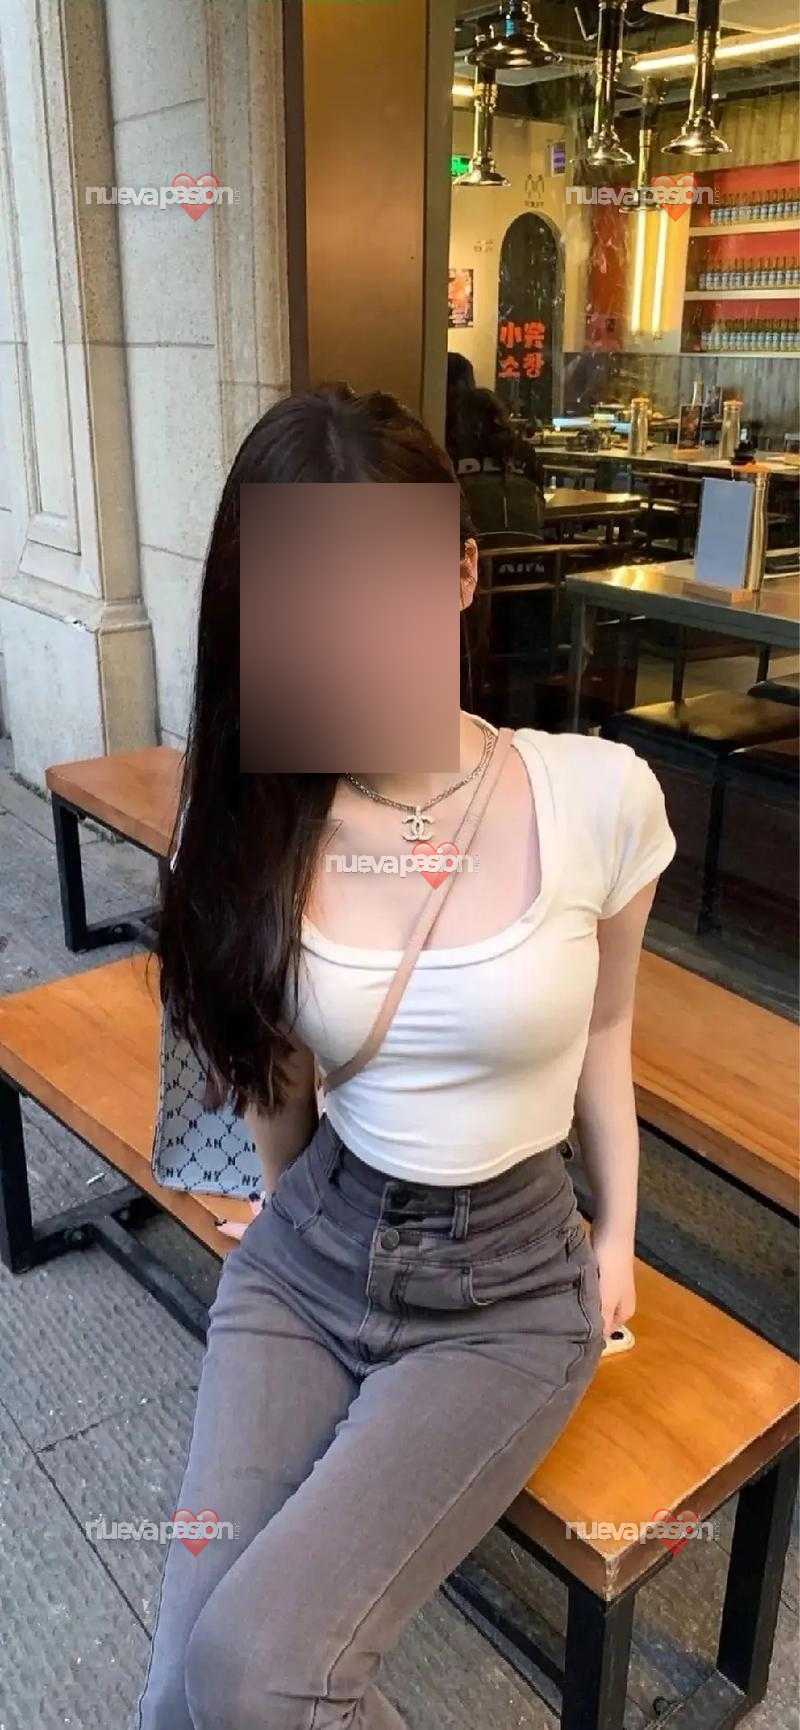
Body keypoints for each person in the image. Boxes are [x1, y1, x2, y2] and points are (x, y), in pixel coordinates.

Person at [138, 383, 676, 1730]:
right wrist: (291, 1213)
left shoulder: (596, 795)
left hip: (506, 1289)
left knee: (252, 1672)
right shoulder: (261, 817)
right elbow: (277, 1080)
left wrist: (618, 1228)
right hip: (311, 1250)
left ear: (460, 572)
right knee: (177, 1691)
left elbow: (605, 1030)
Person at [449, 385, 545, 537]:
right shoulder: (523, 450)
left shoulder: (453, 452)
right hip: (527, 544)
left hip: (472, 545)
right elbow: (540, 498)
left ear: (462, 419)